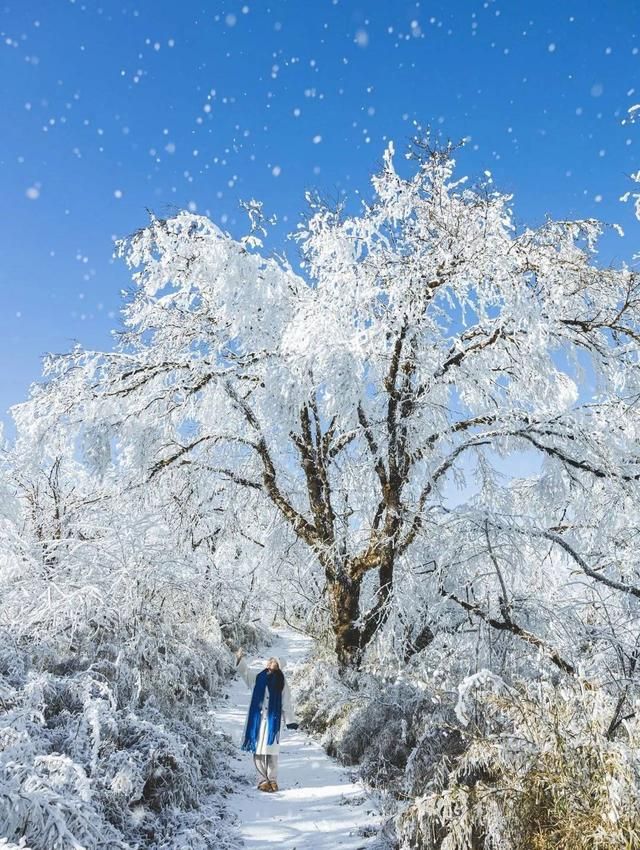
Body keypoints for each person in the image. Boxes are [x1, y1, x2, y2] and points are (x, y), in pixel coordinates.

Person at [234, 647, 299, 792]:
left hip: (272, 721)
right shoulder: (259, 677)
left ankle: (273, 780)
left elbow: (286, 701)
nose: (270, 662)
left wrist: (290, 720)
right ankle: (262, 780)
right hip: (257, 720)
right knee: (258, 751)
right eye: (270, 660)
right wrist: (240, 659)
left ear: (278, 666)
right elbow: (245, 673)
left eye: (274, 661)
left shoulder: (281, 682)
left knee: (271, 752)